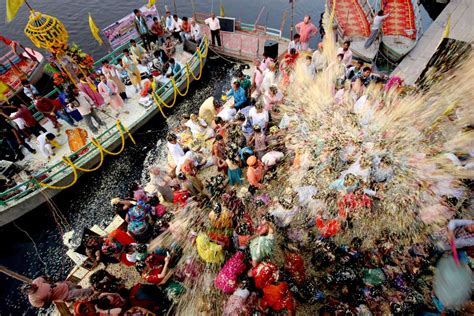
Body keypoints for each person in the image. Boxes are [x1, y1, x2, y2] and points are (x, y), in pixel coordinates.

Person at [23, 276, 92, 308]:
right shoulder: (33, 300)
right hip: (65, 295)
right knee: (85, 291)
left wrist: (49, 280)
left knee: (78, 287)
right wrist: (49, 296)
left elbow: (43, 277)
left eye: (32, 285)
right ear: (30, 292)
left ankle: (84, 297)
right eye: (33, 287)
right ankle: (92, 294)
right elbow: (45, 306)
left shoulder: (36, 281)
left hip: (64, 284)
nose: (35, 285)